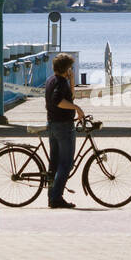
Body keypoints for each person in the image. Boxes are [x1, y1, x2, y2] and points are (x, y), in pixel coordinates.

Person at [44, 53, 83, 209]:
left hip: (52, 124)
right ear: (66, 68)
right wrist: (77, 108)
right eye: (70, 68)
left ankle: (51, 197)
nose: (71, 70)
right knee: (66, 163)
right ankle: (57, 198)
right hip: (63, 126)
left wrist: (71, 80)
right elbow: (59, 101)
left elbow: (70, 96)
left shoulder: (51, 80)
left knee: (54, 163)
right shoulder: (60, 83)